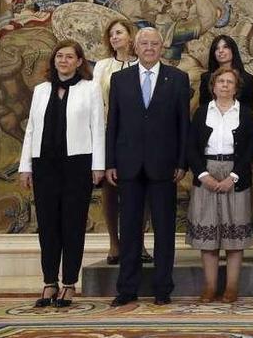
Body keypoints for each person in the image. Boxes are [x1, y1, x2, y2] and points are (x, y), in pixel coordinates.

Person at [105, 27, 190, 307]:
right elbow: (113, 124)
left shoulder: (177, 79)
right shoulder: (120, 80)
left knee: (164, 231)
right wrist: (110, 163)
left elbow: (183, 126)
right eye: (144, 43)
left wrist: (182, 162)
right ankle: (127, 288)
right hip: (127, 166)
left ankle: (162, 288)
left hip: (165, 167)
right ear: (136, 47)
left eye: (155, 43)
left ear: (162, 47)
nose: (150, 48)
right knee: (129, 230)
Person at [19, 40, 105, 308]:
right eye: (59, 56)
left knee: (72, 224)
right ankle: (49, 282)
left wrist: (98, 165)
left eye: (69, 57)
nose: (63, 61)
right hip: (44, 165)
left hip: (78, 163)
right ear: (54, 60)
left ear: (79, 62)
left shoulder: (89, 89)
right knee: (47, 226)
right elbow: (31, 129)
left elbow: (98, 128)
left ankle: (68, 283)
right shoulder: (41, 90)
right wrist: (25, 166)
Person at [186, 68, 253, 304]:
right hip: (206, 175)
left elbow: (251, 149)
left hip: (235, 176)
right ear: (213, 86)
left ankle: (231, 288)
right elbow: (191, 147)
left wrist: (233, 176)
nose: (225, 85)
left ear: (236, 88)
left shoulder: (245, 114)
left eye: (230, 82)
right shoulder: (201, 112)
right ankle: (210, 287)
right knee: (208, 237)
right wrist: (203, 175)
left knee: (234, 237)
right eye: (221, 81)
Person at [92, 19, 153, 266]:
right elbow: (96, 101)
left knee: (143, 186)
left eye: (119, 32)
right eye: (111, 34)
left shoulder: (143, 64)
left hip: (140, 134)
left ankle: (138, 242)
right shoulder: (103, 66)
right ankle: (114, 243)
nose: (114, 37)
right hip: (110, 131)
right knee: (111, 188)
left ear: (131, 37)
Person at [198, 35, 253, 109]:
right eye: (217, 48)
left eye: (225, 47)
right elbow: (203, 107)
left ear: (233, 50)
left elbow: (248, 109)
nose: (221, 51)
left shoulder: (247, 78)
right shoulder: (206, 78)